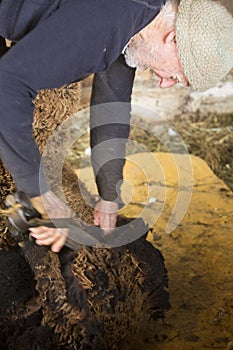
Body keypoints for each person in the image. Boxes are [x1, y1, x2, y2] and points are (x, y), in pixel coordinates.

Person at [0, 0, 232, 252]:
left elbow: (112, 104)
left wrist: (109, 194)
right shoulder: (106, 23)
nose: (164, 84)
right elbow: (7, 85)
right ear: (173, 38)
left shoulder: (137, 18)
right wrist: (39, 191)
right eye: (174, 76)